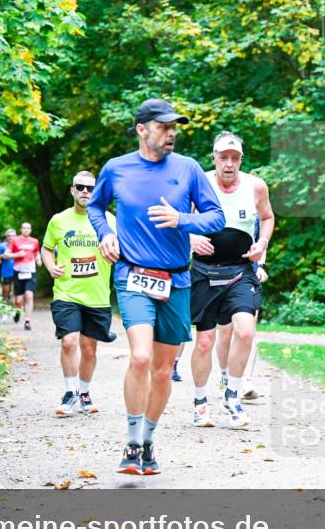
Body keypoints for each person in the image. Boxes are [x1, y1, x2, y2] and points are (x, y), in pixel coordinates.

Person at [87, 98, 225, 476]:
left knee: (163, 371)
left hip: (177, 279)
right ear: (142, 130)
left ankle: (148, 441)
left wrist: (181, 219)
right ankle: (131, 443)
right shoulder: (117, 169)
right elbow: (95, 207)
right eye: (164, 127)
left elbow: (216, 218)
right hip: (132, 276)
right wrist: (105, 234)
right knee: (141, 358)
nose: (171, 134)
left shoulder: (189, 169)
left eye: (174, 128)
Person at [189, 131, 274, 428]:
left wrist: (261, 243)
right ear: (213, 158)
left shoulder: (255, 186)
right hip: (204, 272)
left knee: (246, 332)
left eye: (234, 158)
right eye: (223, 158)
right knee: (204, 342)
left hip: (240, 272)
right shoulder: (198, 182)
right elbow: (179, 218)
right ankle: (200, 403)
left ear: (241, 160)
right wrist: (190, 239)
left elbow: (267, 217)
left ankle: (233, 396)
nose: (229, 164)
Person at [42, 170, 119, 416]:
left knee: (89, 348)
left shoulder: (109, 219)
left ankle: (84, 393)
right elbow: (46, 249)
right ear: (73, 190)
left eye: (90, 188)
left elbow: (123, 247)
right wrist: (50, 266)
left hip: (97, 295)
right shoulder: (59, 220)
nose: (85, 191)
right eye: (80, 187)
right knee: (69, 341)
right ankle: (70, 391)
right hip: (67, 293)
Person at [214, 214, 269, 400]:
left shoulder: (257, 205)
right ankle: (223, 376)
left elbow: (262, 239)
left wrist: (260, 265)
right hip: (222, 272)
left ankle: (245, 380)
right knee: (225, 332)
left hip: (249, 274)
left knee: (247, 331)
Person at [3, 222, 42, 330]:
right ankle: (17, 311)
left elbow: (37, 253)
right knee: (18, 300)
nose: (26, 230)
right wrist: (17, 255)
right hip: (18, 272)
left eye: (28, 228)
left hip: (30, 272)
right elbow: (6, 254)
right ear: (21, 229)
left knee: (29, 295)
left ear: (30, 230)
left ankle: (27, 321)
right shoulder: (15, 240)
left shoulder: (34, 241)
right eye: (24, 228)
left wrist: (38, 260)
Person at [0, 228, 21, 322]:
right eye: (9, 236)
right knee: (6, 293)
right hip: (6, 272)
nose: (11, 237)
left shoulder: (19, 245)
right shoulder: (2, 245)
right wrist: (3, 256)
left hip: (18, 271)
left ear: (16, 236)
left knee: (16, 293)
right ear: (6, 237)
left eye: (13, 235)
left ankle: (16, 311)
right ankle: (4, 312)